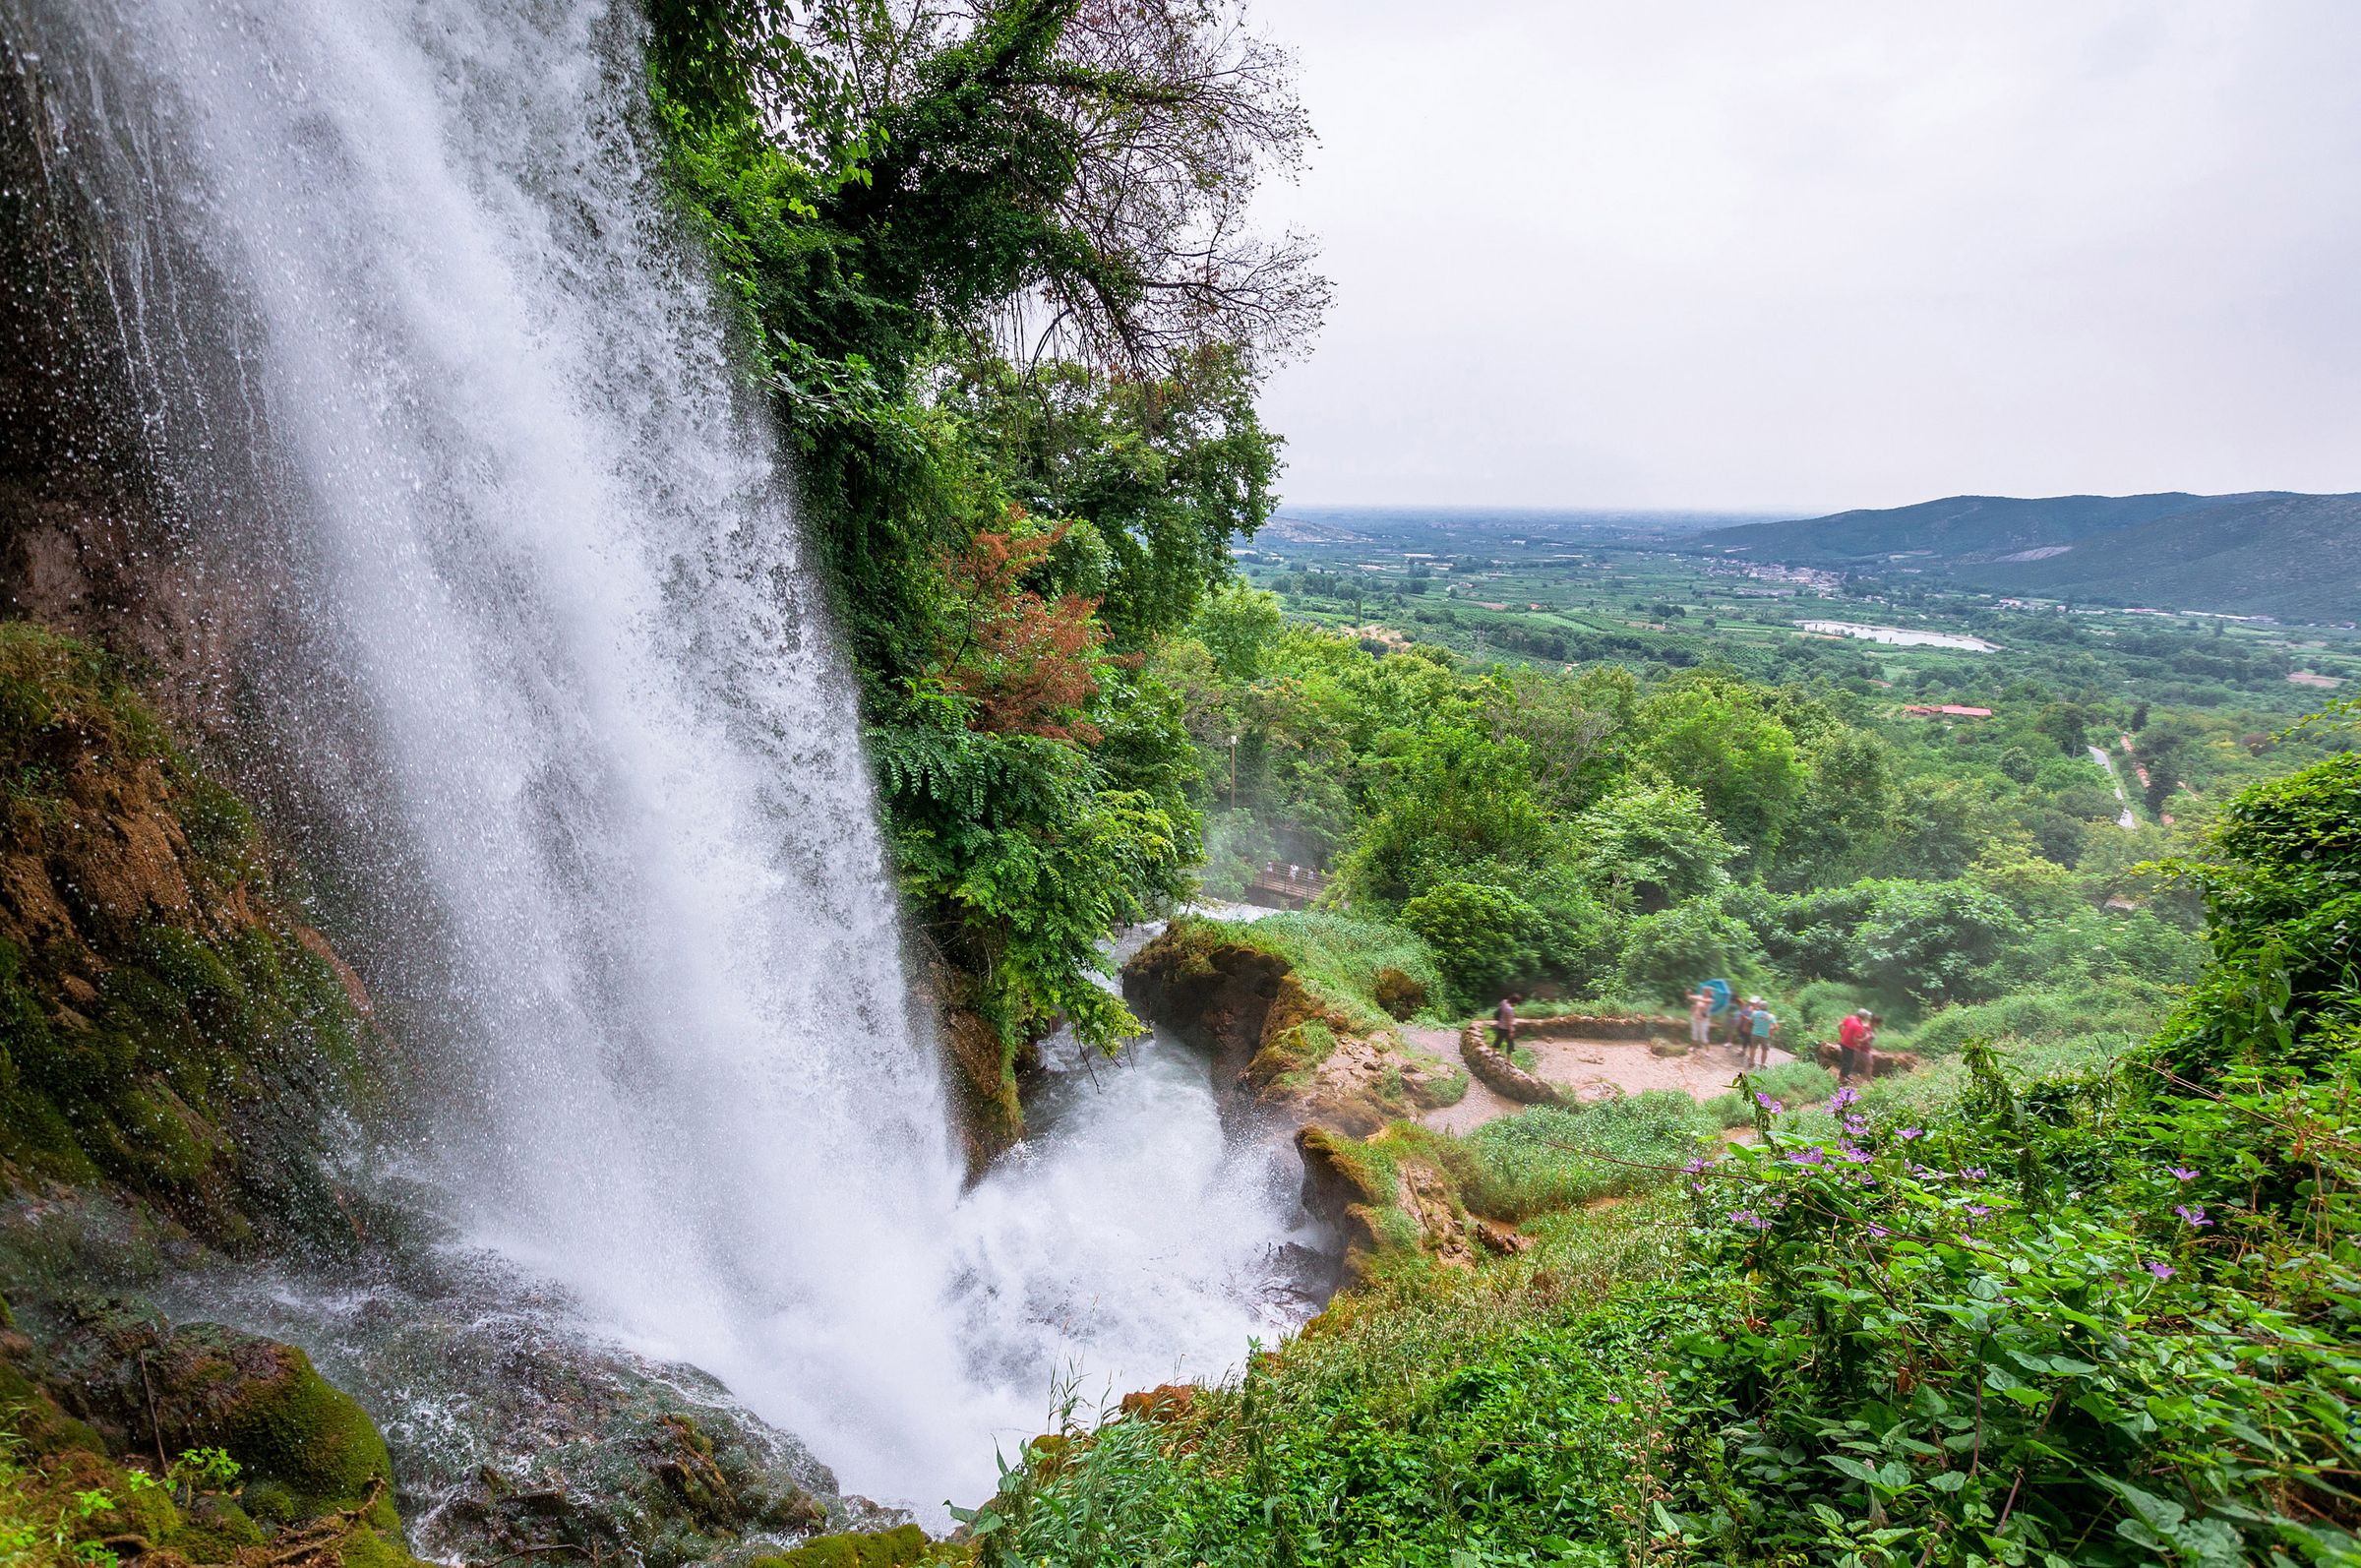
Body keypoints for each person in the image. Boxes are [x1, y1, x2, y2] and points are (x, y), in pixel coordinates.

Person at [1837, 1008, 1869, 1083]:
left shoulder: (1850, 1018)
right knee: (1848, 1063)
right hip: (1849, 1046)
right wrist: (1865, 1038)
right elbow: (1855, 1040)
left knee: (1850, 1061)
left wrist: (1842, 1035)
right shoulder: (1858, 1026)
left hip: (1843, 1043)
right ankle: (1841, 1078)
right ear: (1864, 1017)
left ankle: (1845, 1075)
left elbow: (1839, 1025)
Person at [1748, 1000, 1779, 1069]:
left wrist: (1757, 1023)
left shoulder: (1754, 1013)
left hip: (1754, 1033)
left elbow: (1750, 1021)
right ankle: (1762, 1065)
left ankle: (1751, 1062)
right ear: (1767, 1007)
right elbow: (1776, 1027)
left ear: (1759, 1006)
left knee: (1753, 1048)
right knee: (1764, 1050)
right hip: (1765, 1035)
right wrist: (1771, 1028)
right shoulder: (1771, 1016)